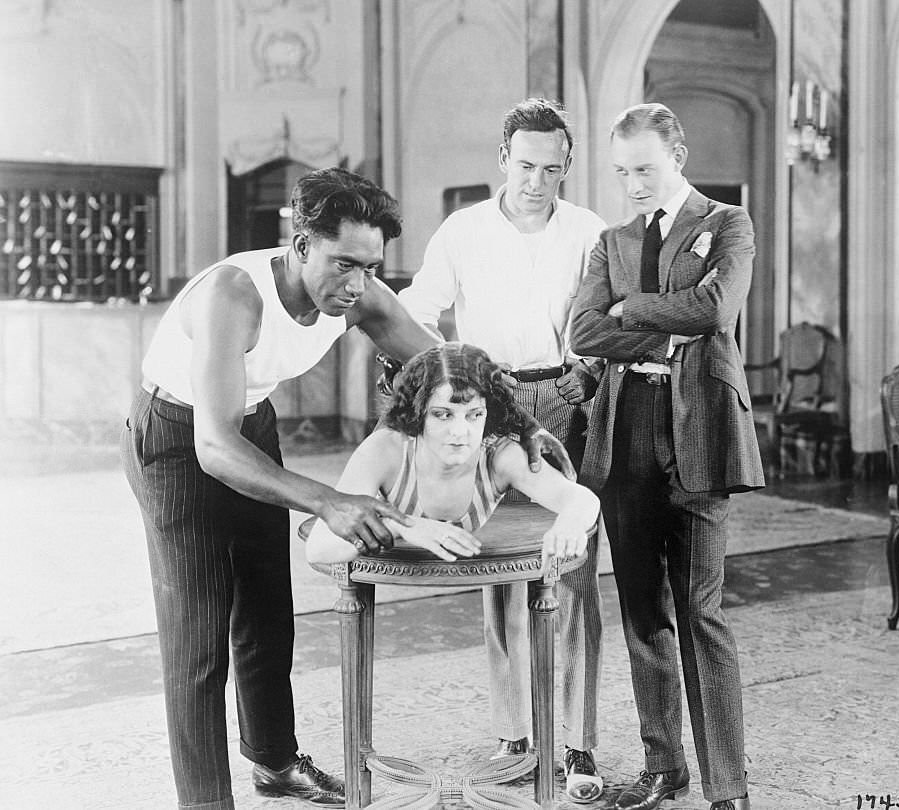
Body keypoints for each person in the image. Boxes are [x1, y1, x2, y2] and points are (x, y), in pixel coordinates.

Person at [120, 167, 571, 810]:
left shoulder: (360, 294)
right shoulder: (234, 295)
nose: (356, 284)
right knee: (199, 637)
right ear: (301, 244)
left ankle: (275, 765)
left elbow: (451, 371)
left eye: (369, 266)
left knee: (268, 611)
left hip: (250, 421)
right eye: (342, 264)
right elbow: (214, 449)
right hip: (176, 435)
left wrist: (521, 426)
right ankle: (204, 803)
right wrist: (330, 500)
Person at [396, 98, 607, 801]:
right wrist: (453, 381)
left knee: (571, 568)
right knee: (499, 569)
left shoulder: (587, 231)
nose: (536, 182)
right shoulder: (463, 231)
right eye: (525, 166)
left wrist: (592, 369)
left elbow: (607, 325)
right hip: (490, 407)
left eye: (552, 169)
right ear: (502, 161)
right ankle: (514, 733)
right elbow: (417, 312)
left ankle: (577, 744)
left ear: (567, 167)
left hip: (567, 398)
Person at [570, 103, 764, 810]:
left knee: (701, 610)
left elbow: (716, 311)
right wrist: (656, 330)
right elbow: (585, 327)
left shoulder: (727, 223)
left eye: (645, 169)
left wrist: (632, 310)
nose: (634, 185)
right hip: (625, 432)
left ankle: (728, 787)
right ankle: (663, 766)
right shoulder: (611, 239)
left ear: (677, 155)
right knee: (641, 610)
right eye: (622, 173)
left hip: (700, 430)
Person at [305, 341, 599, 570]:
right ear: (417, 414)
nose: (460, 432)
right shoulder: (385, 450)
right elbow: (319, 548)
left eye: (474, 415)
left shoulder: (498, 454)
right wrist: (402, 526)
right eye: (442, 415)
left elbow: (581, 498)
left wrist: (570, 522)